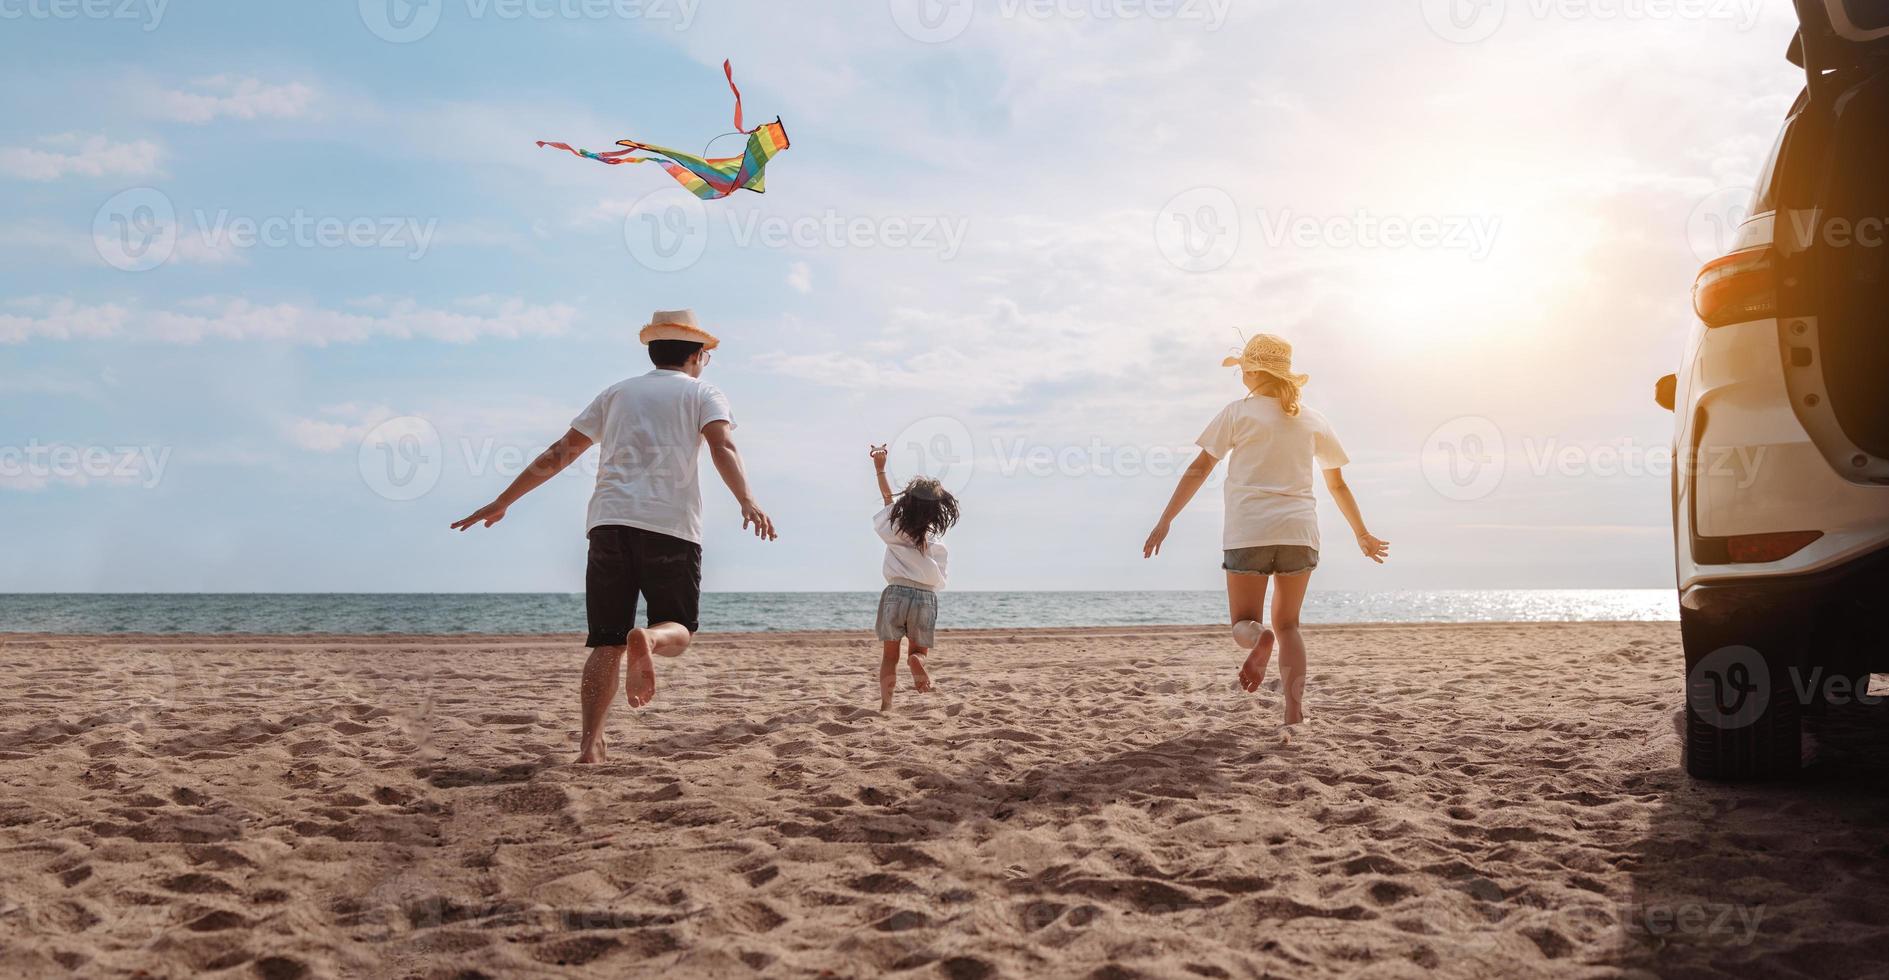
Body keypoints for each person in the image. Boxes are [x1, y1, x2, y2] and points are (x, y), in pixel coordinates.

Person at [451, 310, 777, 764]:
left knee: (605, 641)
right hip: (671, 527)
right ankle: (649, 639)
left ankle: (590, 743)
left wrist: (504, 500)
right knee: (678, 630)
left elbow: (560, 452)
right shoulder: (704, 392)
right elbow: (722, 445)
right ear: (698, 356)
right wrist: (747, 499)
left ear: (652, 350)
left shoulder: (617, 393)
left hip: (608, 525)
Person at [1143, 334, 1388, 733]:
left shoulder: (1238, 413)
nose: (1240, 373)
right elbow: (1337, 485)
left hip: (1249, 530)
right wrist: (1361, 533)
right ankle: (1293, 713)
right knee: (1290, 625)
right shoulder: (1312, 418)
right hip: (1300, 532)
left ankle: (1259, 638)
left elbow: (1200, 467)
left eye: (1242, 367)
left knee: (1244, 620)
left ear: (1255, 372)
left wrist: (1166, 518)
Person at [868, 444, 959, 713]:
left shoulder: (894, 525)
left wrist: (880, 468)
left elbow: (887, 498)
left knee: (889, 656)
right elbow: (940, 573)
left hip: (896, 592)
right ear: (937, 511)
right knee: (917, 651)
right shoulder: (934, 537)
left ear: (906, 503)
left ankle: (886, 705)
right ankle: (917, 662)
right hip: (924, 596)